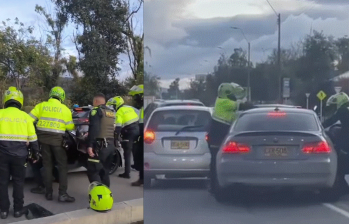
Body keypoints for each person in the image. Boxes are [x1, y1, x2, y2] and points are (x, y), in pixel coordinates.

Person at [29, 86, 75, 202]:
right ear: (62, 97)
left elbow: (29, 120)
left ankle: (48, 193)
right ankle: (62, 194)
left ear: (50, 94)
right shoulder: (64, 109)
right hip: (58, 142)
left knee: (47, 166)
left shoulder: (41, 105)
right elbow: (70, 126)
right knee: (62, 167)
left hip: (43, 141)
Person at [0, 87, 40, 219]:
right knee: (18, 182)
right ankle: (18, 210)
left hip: (1, 155)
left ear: (5, 100)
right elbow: (33, 139)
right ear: (20, 101)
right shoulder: (25, 117)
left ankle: (3, 211)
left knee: (2, 182)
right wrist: (35, 154)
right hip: (20, 156)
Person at [207, 83, 245, 194]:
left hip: (219, 132)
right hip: (217, 134)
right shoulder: (224, 102)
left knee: (216, 160)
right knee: (215, 161)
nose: (234, 96)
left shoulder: (221, 100)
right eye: (233, 93)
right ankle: (214, 185)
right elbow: (241, 106)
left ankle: (214, 184)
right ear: (228, 94)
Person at [85, 93, 115, 187]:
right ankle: (106, 193)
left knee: (93, 170)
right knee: (104, 171)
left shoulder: (96, 111)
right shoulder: (110, 112)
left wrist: (90, 145)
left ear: (95, 101)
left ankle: (99, 195)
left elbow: (94, 128)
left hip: (100, 146)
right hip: (110, 145)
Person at [107, 96, 139, 179]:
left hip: (129, 132)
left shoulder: (119, 112)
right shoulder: (129, 108)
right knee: (135, 150)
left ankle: (127, 173)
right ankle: (137, 167)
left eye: (113, 106)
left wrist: (115, 137)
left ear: (117, 105)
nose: (113, 108)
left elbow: (118, 127)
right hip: (137, 130)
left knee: (127, 153)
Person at [323, 92, 349, 193]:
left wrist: (320, 126)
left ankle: (341, 186)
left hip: (346, 140)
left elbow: (331, 121)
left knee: (337, 157)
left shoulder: (343, 110)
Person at [128, 84, 144, 186]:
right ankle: (141, 178)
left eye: (137, 96)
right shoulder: (143, 108)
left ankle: (142, 179)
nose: (135, 99)